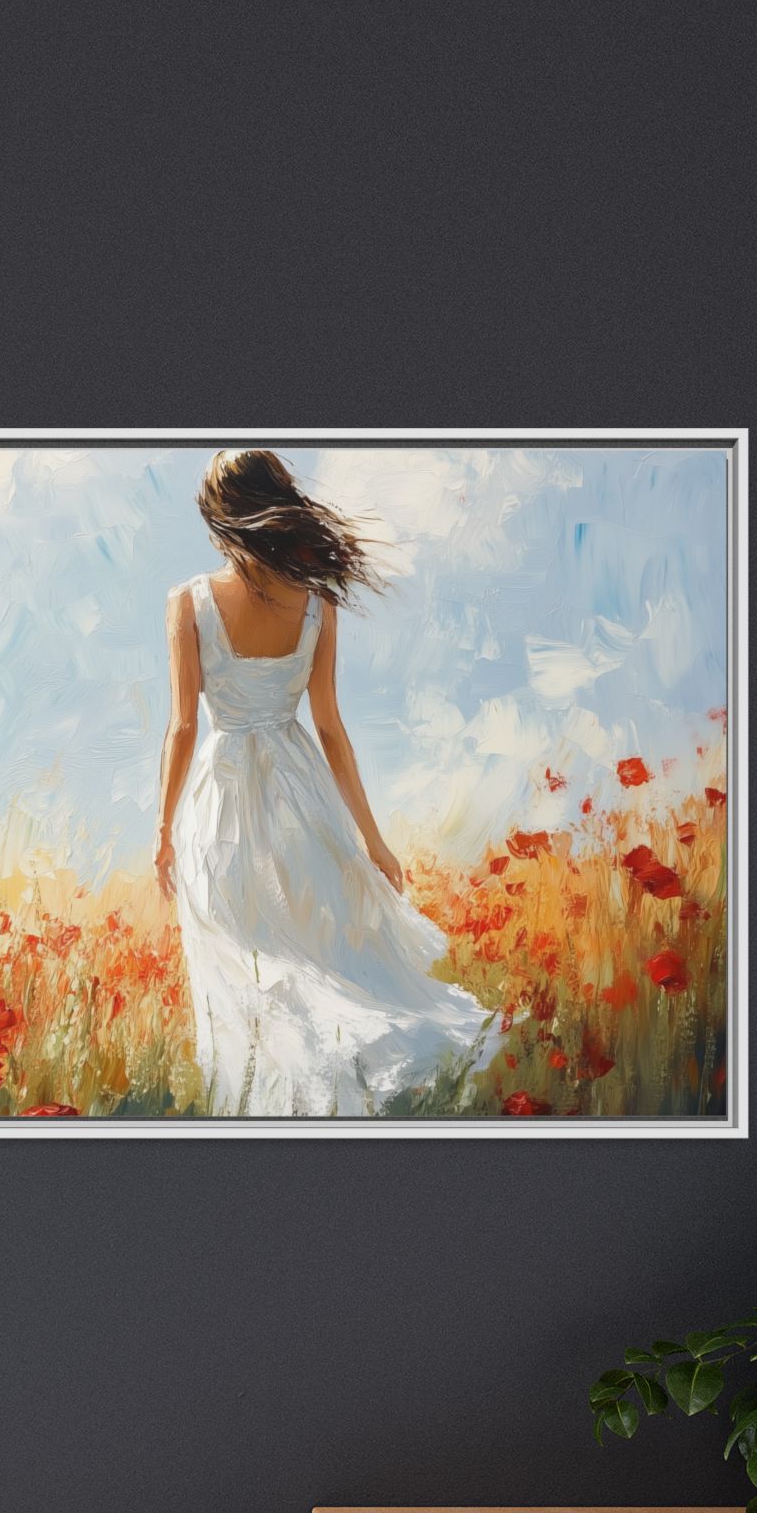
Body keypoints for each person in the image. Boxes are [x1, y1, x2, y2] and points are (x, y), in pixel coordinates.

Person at [155, 449, 495, 1115]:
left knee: (244, 956)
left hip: (220, 802)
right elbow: (332, 730)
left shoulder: (188, 603)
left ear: (225, 517)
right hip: (298, 792)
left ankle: (260, 1109)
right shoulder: (316, 603)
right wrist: (372, 841)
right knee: (308, 951)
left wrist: (164, 830)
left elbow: (183, 727)